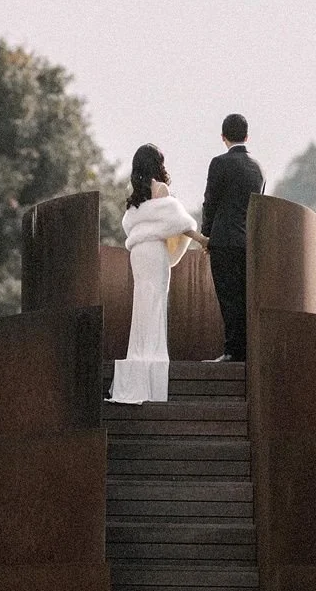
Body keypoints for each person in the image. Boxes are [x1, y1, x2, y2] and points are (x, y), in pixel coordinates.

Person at [111, 144, 206, 404]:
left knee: (142, 303)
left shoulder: (135, 196)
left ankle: (139, 357)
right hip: (154, 252)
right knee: (155, 303)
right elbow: (180, 223)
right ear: (157, 163)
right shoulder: (160, 189)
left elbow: (130, 225)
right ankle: (153, 359)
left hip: (138, 254)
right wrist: (202, 239)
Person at [201, 113, 264, 363]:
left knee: (228, 298)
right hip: (247, 242)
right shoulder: (258, 168)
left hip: (223, 240)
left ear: (223, 137)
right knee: (244, 296)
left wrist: (207, 233)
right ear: (247, 136)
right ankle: (246, 350)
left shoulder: (219, 163)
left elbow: (210, 201)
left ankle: (231, 351)